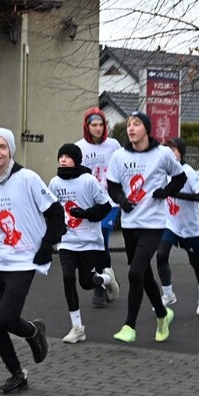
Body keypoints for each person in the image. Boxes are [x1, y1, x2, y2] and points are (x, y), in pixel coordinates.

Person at [0, 128, 64, 393]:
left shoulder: (27, 178)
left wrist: (47, 246)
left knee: (7, 317)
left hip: (24, 260)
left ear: (11, 150)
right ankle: (17, 374)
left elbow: (56, 214)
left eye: (2, 147)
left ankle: (33, 331)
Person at [106, 112, 186, 343]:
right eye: (129, 125)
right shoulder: (119, 156)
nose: (131, 128)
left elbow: (179, 178)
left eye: (137, 124)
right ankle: (162, 315)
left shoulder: (162, 154)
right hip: (130, 224)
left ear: (147, 129)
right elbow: (112, 185)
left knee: (134, 273)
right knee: (143, 274)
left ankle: (129, 327)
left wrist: (165, 192)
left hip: (154, 224)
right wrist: (122, 200)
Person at [47, 143, 116, 344]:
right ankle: (77, 327)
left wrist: (85, 214)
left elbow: (105, 208)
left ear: (76, 160)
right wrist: (55, 228)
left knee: (86, 283)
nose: (63, 159)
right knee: (68, 277)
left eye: (67, 156)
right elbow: (52, 210)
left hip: (89, 242)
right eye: (61, 156)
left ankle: (107, 279)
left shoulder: (88, 181)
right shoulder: (54, 183)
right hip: (67, 241)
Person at [154, 138, 199, 316]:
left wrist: (175, 194)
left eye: (173, 150)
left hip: (189, 227)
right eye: (167, 150)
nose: (170, 153)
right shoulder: (162, 172)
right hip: (170, 224)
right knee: (161, 255)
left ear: (181, 152)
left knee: (195, 261)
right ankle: (168, 294)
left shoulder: (188, 172)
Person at [74, 107, 122, 308]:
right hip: (89, 203)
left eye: (101, 124)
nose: (98, 128)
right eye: (94, 125)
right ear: (87, 126)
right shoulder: (79, 147)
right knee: (93, 244)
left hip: (109, 202)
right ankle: (106, 278)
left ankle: (99, 287)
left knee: (101, 237)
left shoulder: (113, 145)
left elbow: (121, 169)